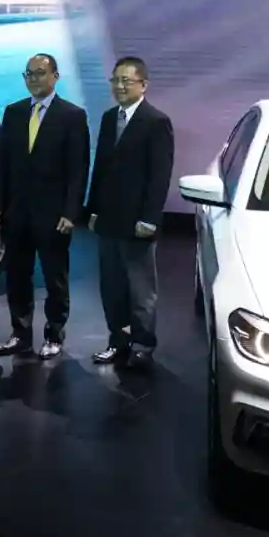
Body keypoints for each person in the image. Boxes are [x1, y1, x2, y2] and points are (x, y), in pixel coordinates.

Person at [0, 53, 89, 359]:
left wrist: (71, 212)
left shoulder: (72, 115)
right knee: (17, 276)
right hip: (16, 212)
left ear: (55, 76)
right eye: (29, 74)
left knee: (55, 278)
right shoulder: (14, 112)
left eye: (40, 73)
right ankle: (20, 334)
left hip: (53, 213)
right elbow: (3, 163)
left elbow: (78, 169)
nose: (34, 79)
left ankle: (54, 335)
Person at [85, 56, 174, 369]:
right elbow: (100, 168)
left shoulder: (156, 122)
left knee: (140, 289)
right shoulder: (109, 118)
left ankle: (142, 345)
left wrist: (149, 219)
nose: (119, 86)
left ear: (143, 85)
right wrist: (92, 210)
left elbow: (159, 176)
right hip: (108, 219)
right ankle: (118, 340)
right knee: (111, 286)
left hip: (138, 221)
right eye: (115, 80)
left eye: (126, 80)